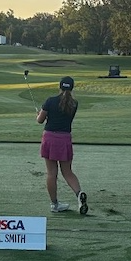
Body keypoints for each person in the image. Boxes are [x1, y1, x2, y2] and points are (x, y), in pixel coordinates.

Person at [36, 76, 88, 214]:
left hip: (50, 138)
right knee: (68, 172)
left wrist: (40, 114)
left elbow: (40, 120)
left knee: (52, 173)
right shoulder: (74, 104)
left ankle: (55, 204)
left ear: (59, 87)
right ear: (72, 88)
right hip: (64, 139)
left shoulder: (50, 101)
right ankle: (79, 194)